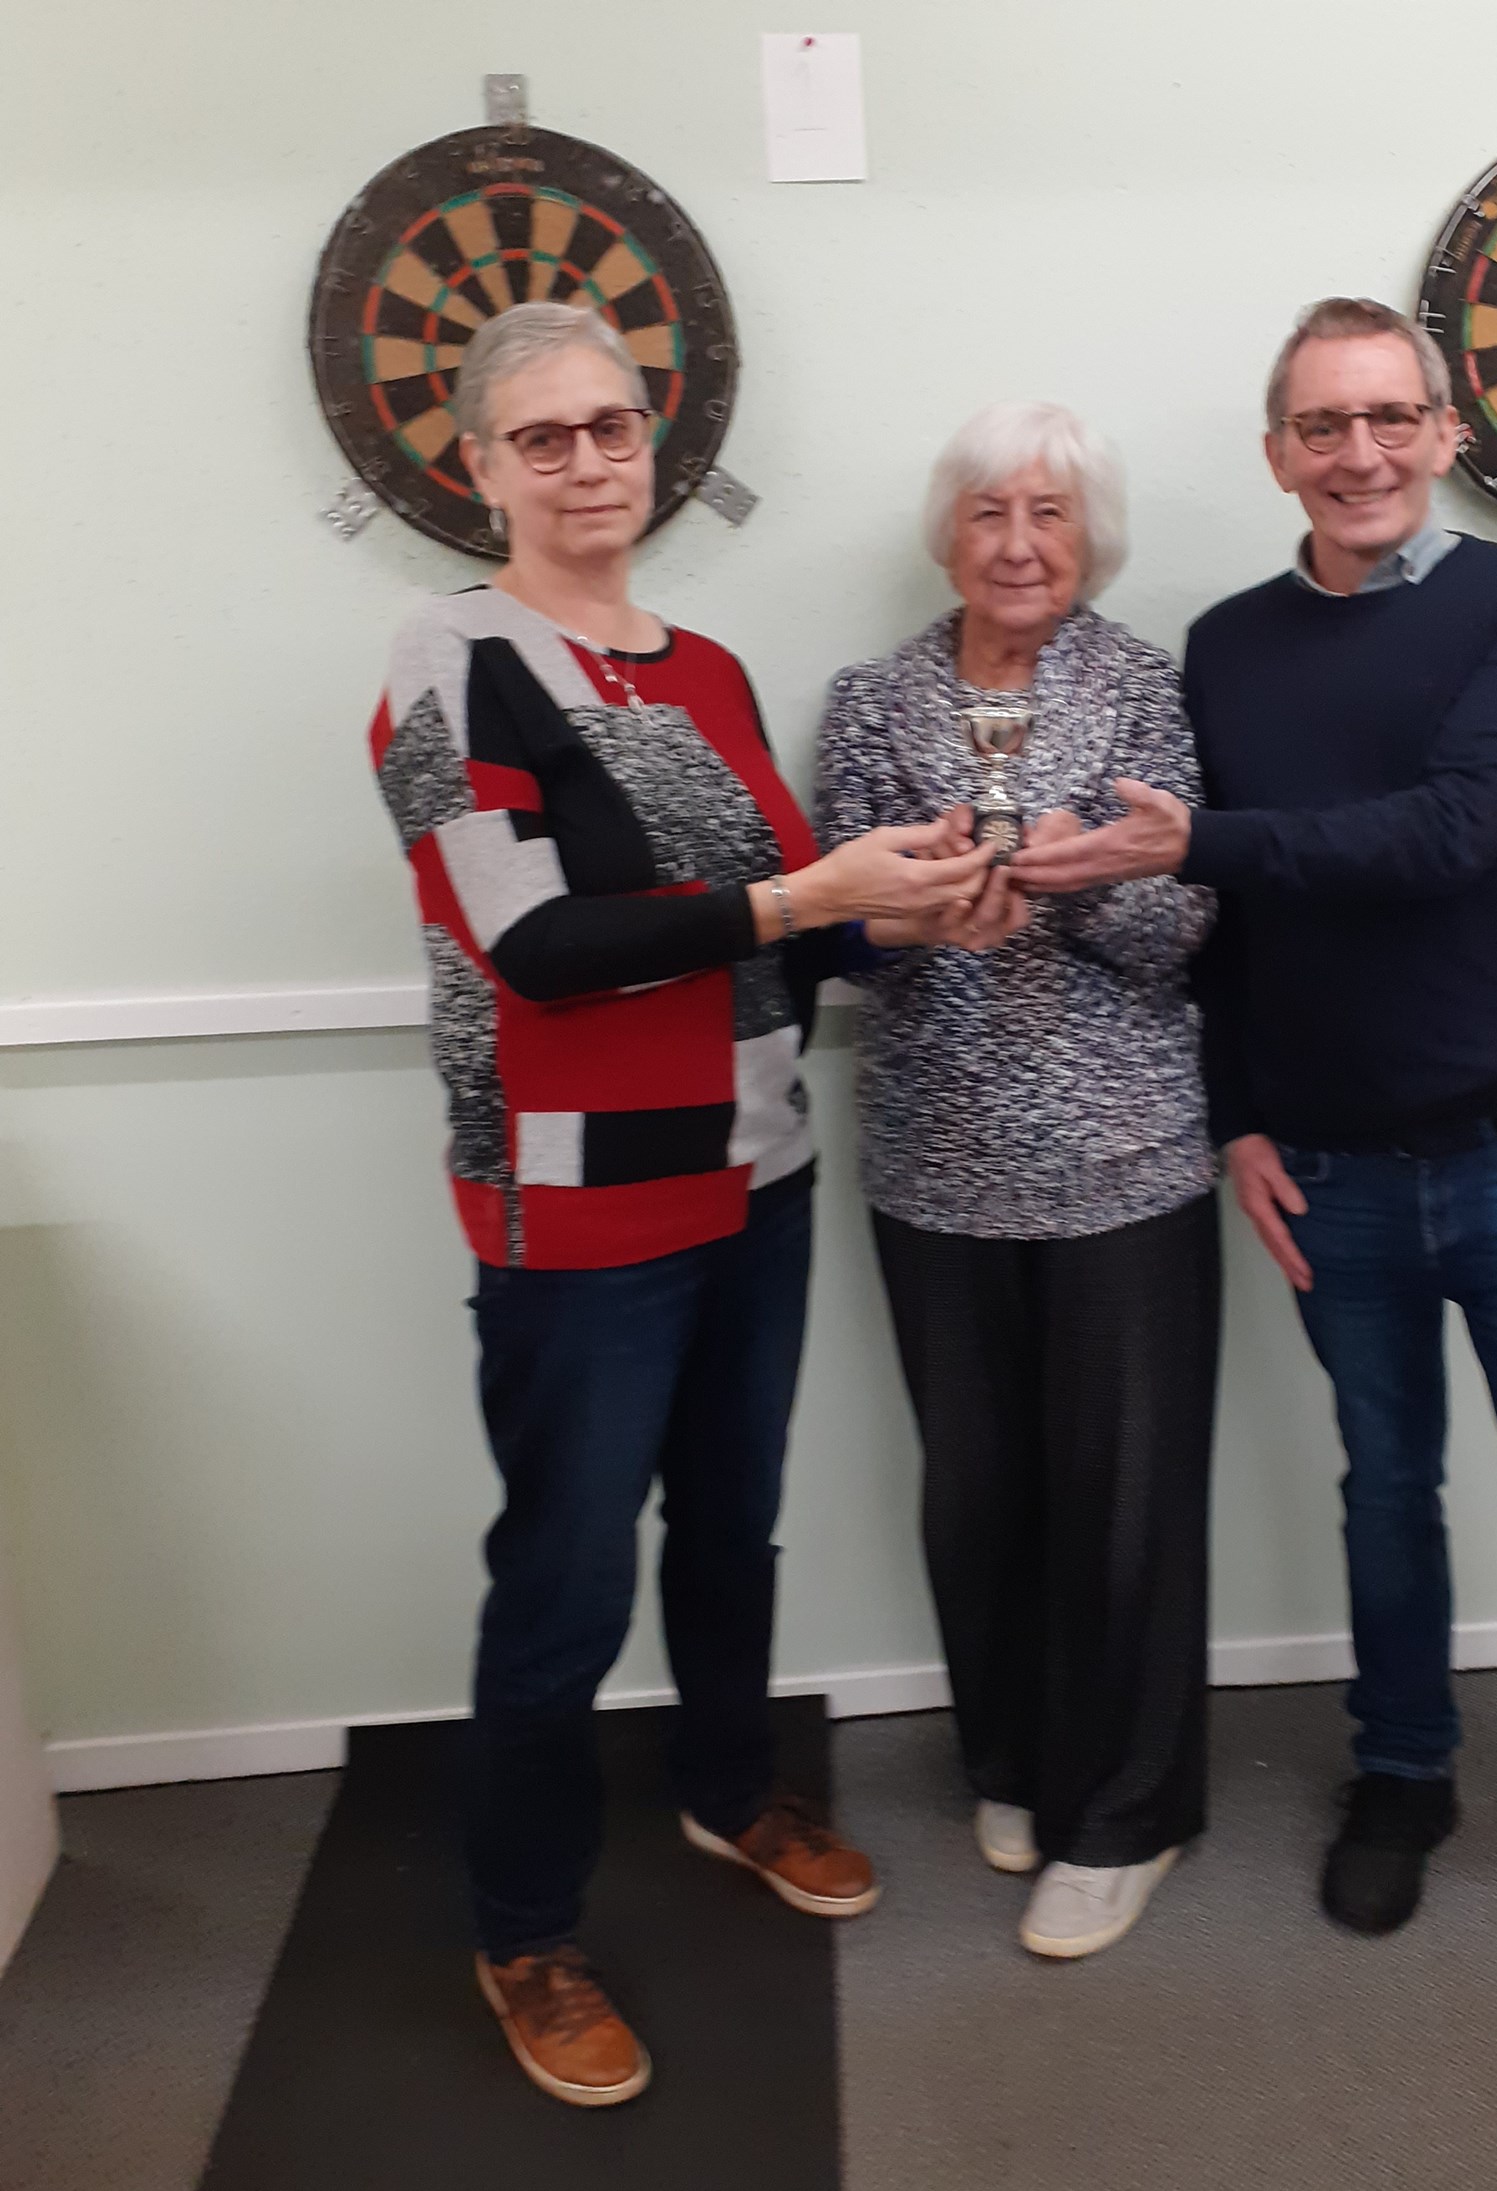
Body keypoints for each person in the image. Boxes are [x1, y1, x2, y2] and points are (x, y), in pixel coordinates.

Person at [1011, 300, 1497, 2006]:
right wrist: (1240, 1109)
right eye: (1325, 425)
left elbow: (1463, 831)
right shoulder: (1229, 650)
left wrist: (1218, 840)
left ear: (1447, 434)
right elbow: (1228, 924)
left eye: (1393, 416)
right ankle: (1401, 1777)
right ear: (1278, 457)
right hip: (1332, 1163)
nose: (1363, 452)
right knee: (1386, 1496)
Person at [369, 302, 994, 2107]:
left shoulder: (705, 669)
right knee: (561, 1585)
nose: (586, 462)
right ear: (477, 466)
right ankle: (524, 1927)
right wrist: (812, 905)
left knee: (734, 1528)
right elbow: (538, 949)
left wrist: (908, 916)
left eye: (612, 426)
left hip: (755, 1174)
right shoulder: (449, 660)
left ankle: (729, 1794)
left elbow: (767, 942)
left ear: (657, 445)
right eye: (542, 437)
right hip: (567, 1219)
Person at [812, 401, 1220, 1962]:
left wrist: (1075, 889)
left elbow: (1186, 928)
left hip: (1124, 1165)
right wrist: (904, 921)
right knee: (978, 1496)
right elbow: (831, 934)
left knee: (1123, 1506)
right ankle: (1014, 1760)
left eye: (1049, 513)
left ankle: (1128, 1816)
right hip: (933, 1165)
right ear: (947, 534)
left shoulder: (1146, 691)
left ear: (1089, 537)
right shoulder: (868, 703)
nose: (1019, 543)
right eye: (989, 513)